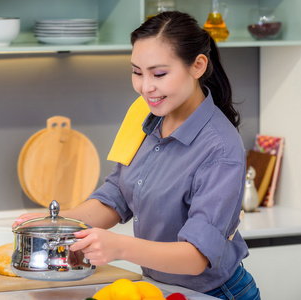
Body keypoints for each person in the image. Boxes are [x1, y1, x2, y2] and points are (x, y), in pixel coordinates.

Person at [13, 11, 260, 300]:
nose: (145, 87)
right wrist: (55, 224)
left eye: (159, 74)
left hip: (216, 293)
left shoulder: (220, 147)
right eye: (137, 72)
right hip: (162, 288)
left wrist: (119, 247)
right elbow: (117, 196)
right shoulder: (143, 113)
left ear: (198, 66)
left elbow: (196, 257)